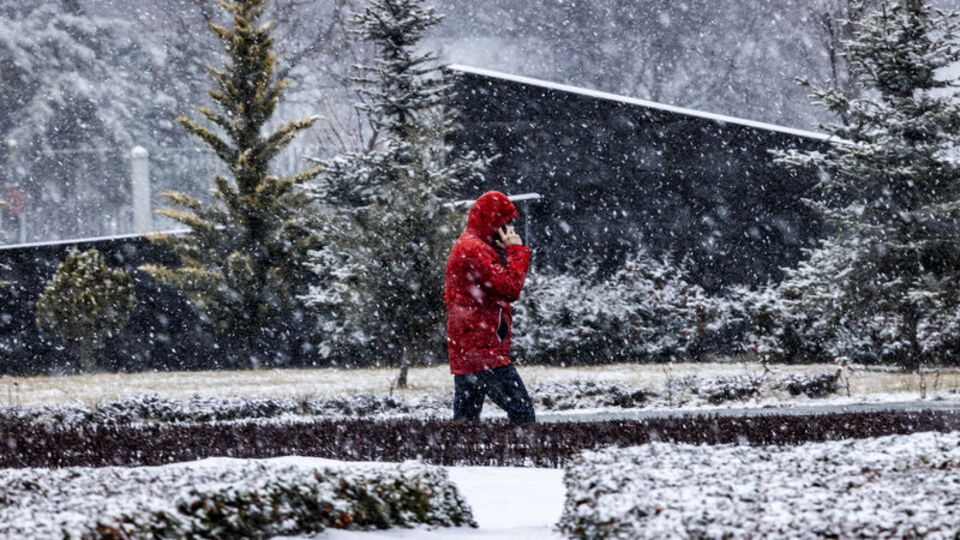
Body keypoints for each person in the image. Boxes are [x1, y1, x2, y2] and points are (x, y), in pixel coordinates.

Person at [444, 190, 535, 423]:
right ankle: (524, 457)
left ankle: (461, 459)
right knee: (523, 414)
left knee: (465, 424)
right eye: (506, 225)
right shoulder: (476, 250)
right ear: (493, 221)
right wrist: (515, 250)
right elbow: (510, 287)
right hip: (484, 351)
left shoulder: (470, 245)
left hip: (468, 350)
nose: (509, 232)